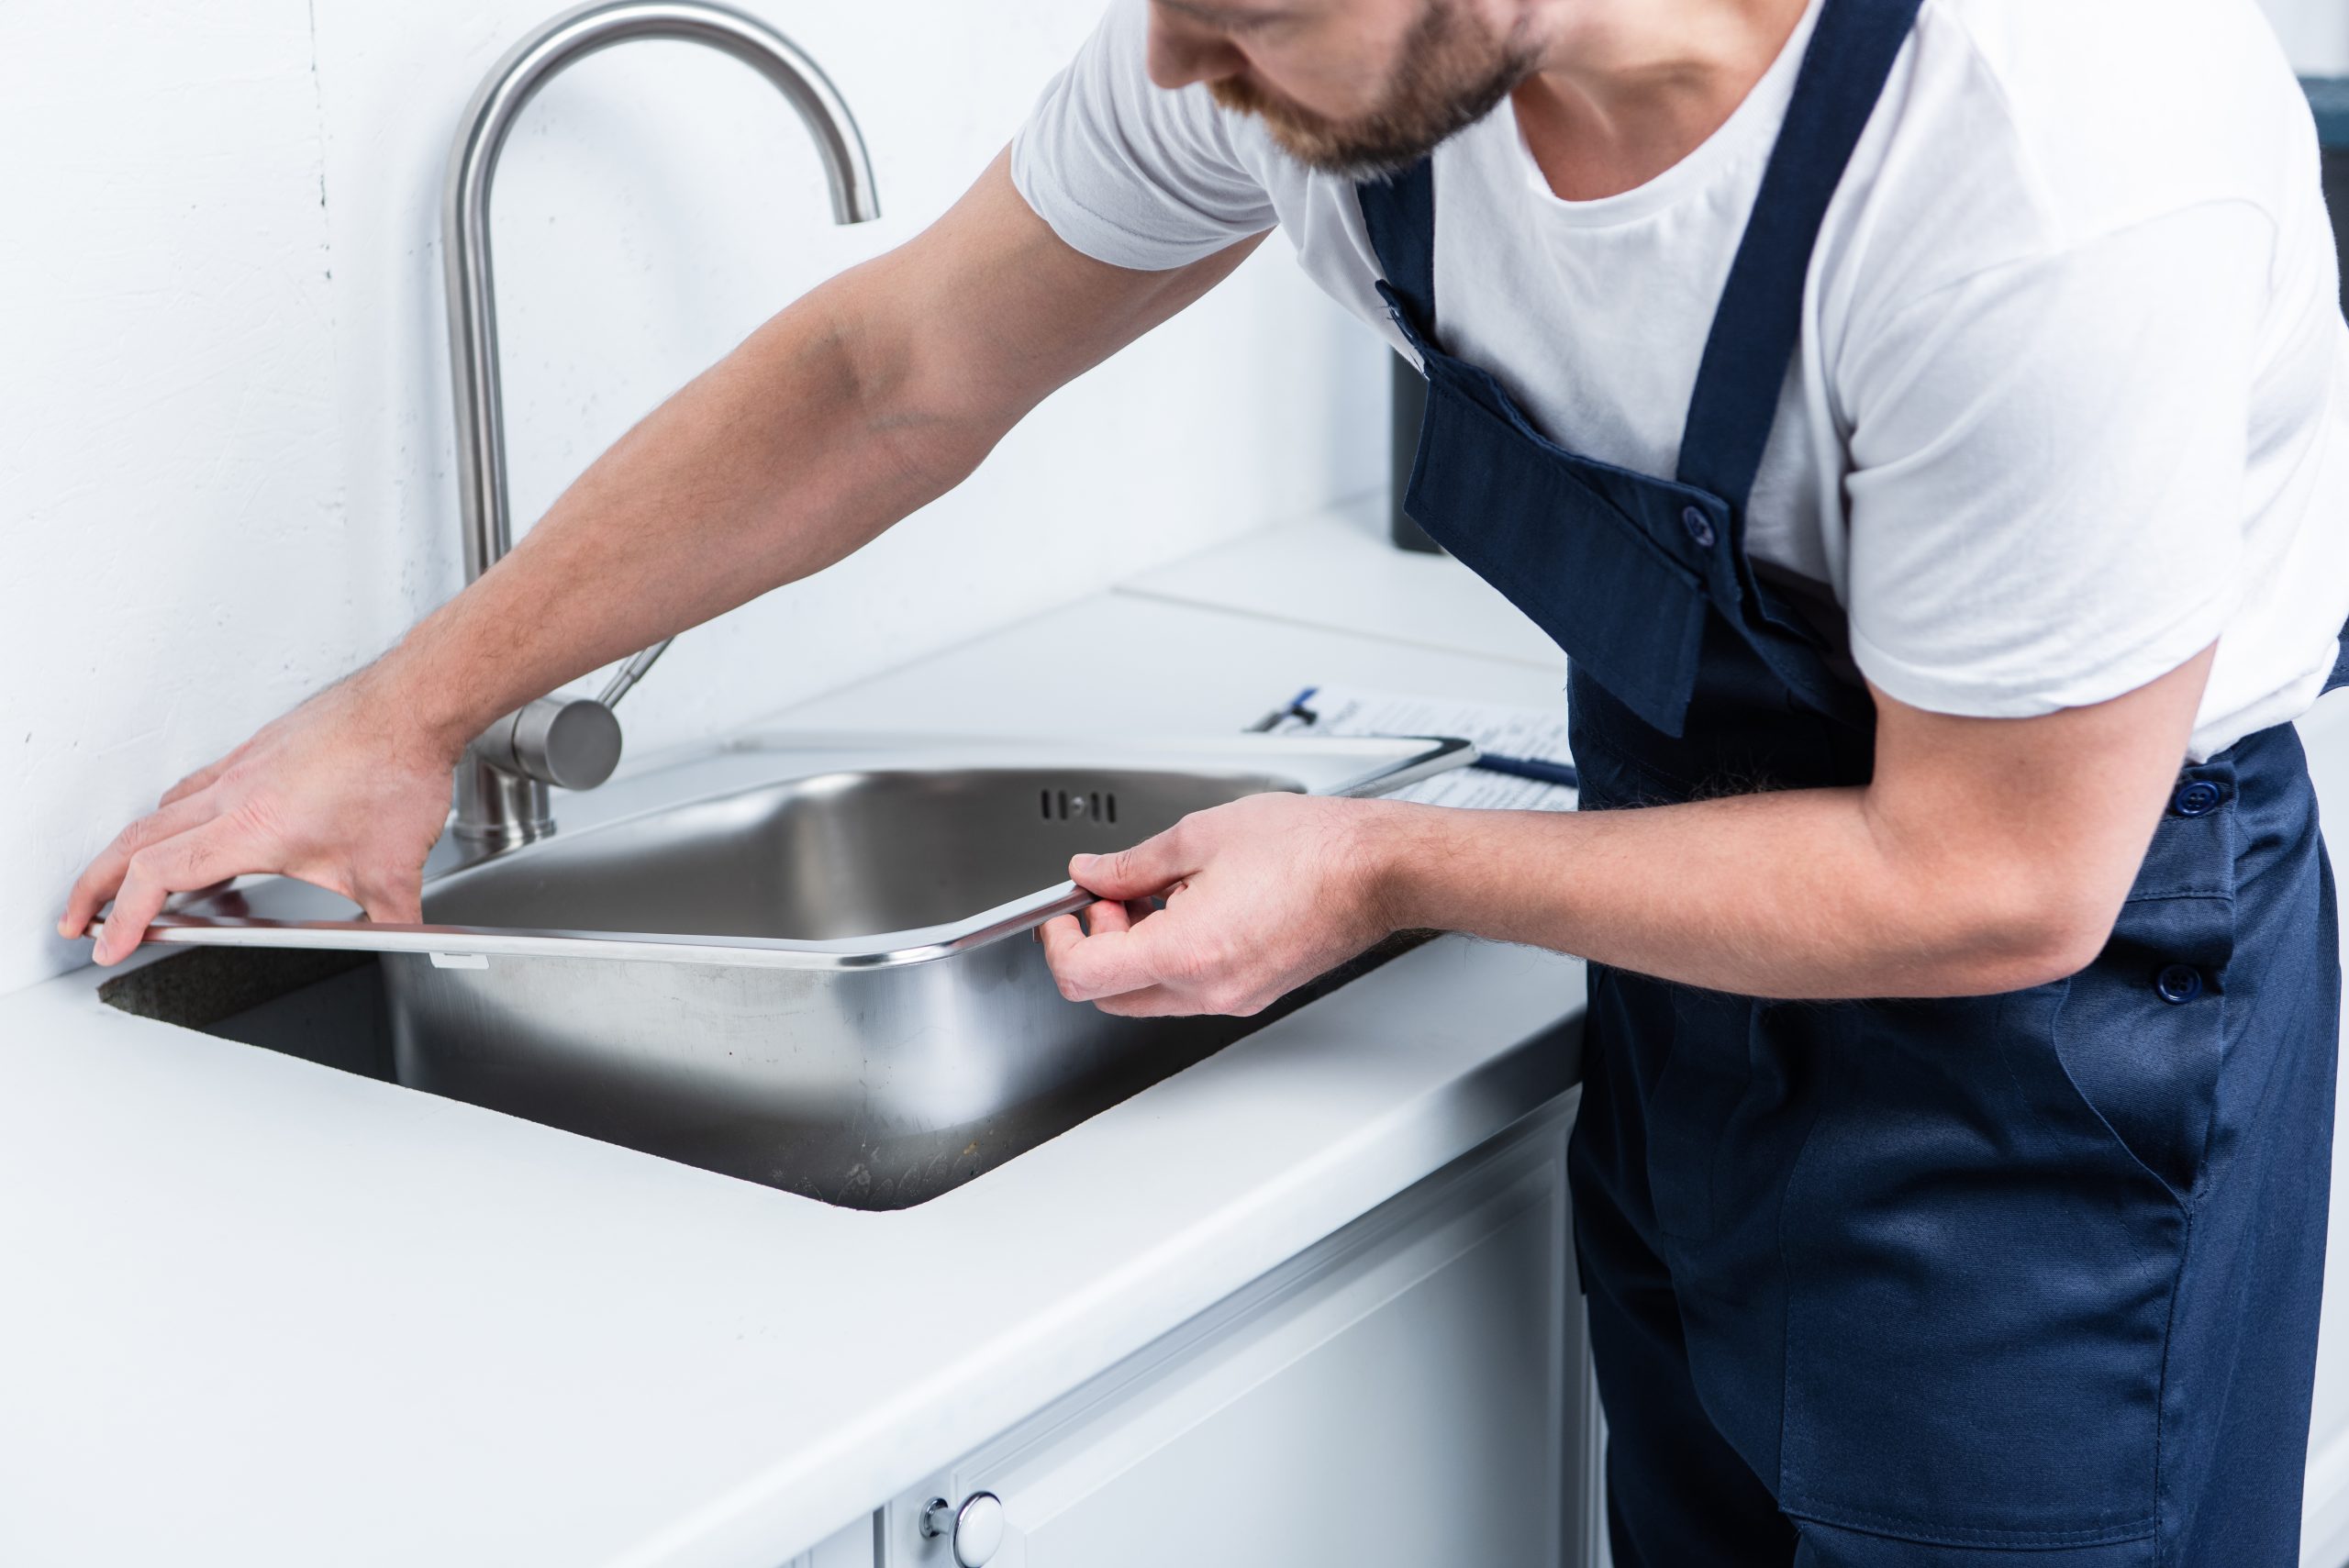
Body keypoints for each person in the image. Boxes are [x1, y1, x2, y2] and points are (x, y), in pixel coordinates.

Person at [61, 0, 2349, 1558]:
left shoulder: (2050, 159)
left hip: (2059, 1041)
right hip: (1697, 943)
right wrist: (405, 712)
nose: (1166, 59)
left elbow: (1994, 871)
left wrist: (1380, 865)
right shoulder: (1285, 49)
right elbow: (896, 368)